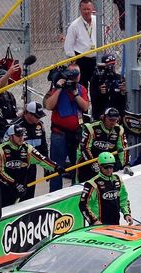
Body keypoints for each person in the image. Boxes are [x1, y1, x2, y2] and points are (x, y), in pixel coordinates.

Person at [0, 125, 64, 206]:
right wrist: (15, 185)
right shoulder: (0, 149)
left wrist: (56, 167)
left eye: (22, 135)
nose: (21, 137)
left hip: (17, 187)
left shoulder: (28, 149)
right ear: (11, 137)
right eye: (18, 135)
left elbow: (42, 159)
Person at [44, 63, 90, 191]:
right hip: (59, 133)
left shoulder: (81, 89)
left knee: (77, 166)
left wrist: (75, 93)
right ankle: (54, 194)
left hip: (76, 133)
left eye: (77, 74)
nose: (74, 77)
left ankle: (75, 191)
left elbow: (85, 107)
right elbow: (48, 105)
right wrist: (59, 88)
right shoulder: (57, 87)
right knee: (56, 167)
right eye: (71, 73)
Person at [79, 152, 133, 226]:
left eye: (111, 167)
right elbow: (83, 205)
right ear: (100, 166)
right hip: (99, 225)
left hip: (115, 223)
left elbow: (123, 199)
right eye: (106, 167)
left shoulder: (117, 179)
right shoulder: (92, 183)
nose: (109, 170)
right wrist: (93, 221)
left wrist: (127, 214)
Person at [77, 107, 129, 183]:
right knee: (83, 181)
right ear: (103, 117)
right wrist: (92, 163)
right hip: (87, 160)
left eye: (115, 120)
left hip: (105, 161)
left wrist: (125, 165)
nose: (113, 122)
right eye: (110, 120)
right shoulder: (91, 128)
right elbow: (84, 148)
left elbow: (123, 148)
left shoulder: (119, 129)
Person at [10, 102, 49, 201]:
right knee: (13, 196)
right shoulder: (15, 126)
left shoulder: (40, 125)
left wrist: (47, 167)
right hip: (16, 167)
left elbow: (43, 147)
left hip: (31, 166)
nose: (39, 118)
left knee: (29, 195)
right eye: (37, 116)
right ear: (28, 114)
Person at [64, 0, 97, 88]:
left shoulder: (98, 21)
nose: (86, 11)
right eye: (84, 9)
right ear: (80, 10)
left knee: (96, 86)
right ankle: (84, 101)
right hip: (81, 59)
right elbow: (68, 46)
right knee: (82, 86)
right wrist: (73, 62)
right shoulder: (74, 25)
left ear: (92, 9)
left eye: (88, 9)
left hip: (96, 59)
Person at [90, 53, 127, 120]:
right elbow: (93, 98)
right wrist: (99, 91)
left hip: (116, 114)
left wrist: (123, 92)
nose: (110, 67)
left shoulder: (119, 78)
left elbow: (123, 101)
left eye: (112, 64)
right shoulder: (97, 79)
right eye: (108, 65)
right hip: (100, 114)